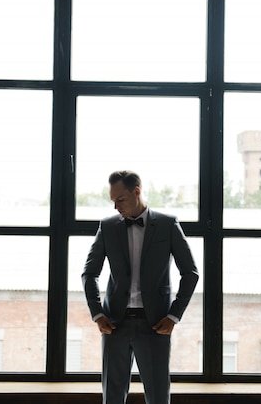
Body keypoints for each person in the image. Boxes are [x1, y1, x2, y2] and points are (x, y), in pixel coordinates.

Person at [82, 170, 199, 404]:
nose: (116, 207)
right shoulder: (107, 227)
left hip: (155, 324)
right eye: (113, 201)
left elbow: (190, 273)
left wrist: (174, 315)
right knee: (112, 396)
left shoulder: (167, 224)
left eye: (121, 199)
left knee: (158, 396)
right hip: (115, 323)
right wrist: (97, 313)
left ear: (137, 192)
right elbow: (89, 273)